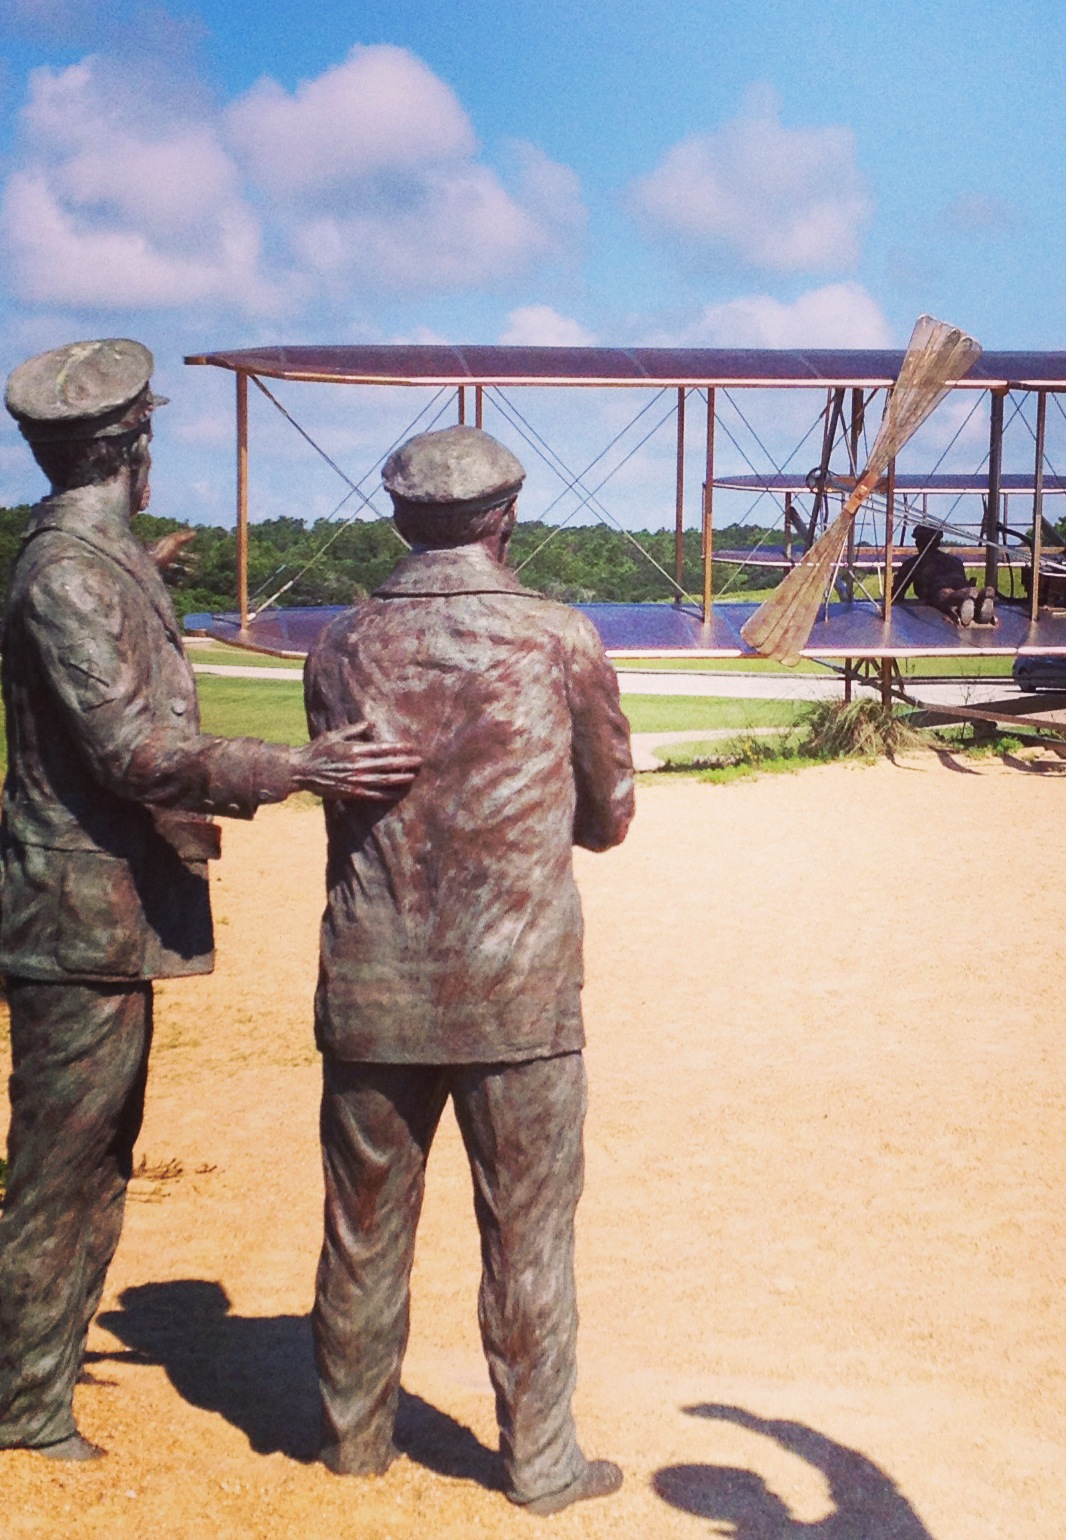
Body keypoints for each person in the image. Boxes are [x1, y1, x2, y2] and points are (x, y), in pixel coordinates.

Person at [0, 339, 421, 1463]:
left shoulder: (99, 559)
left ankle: (28, 1387)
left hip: (99, 914)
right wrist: (298, 769)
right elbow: (133, 750)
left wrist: (154, 578)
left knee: (89, 1158)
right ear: (132, 444)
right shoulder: (71, 574)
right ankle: (23, 1406)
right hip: (75, 918)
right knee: (61, 1167)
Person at [303, 424, 634, 1516]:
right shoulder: (559, 639)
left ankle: (354, 1443)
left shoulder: (340, 644)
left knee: (362, 1225)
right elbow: (608, 814)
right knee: (529, 1231)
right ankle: (540, 1463)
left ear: (401, 517)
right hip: (517, 986)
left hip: (375, 978)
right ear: (504, 517)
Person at [892, 523, 996, 625]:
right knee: (959, 591)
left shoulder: (913, 563)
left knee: (945, 595)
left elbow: (897, 593)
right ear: (938, 542)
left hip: (938, 589)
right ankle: (980, 595)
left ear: (918, 543)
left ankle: (967, 594)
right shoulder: (955, 560)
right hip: (960, 583)